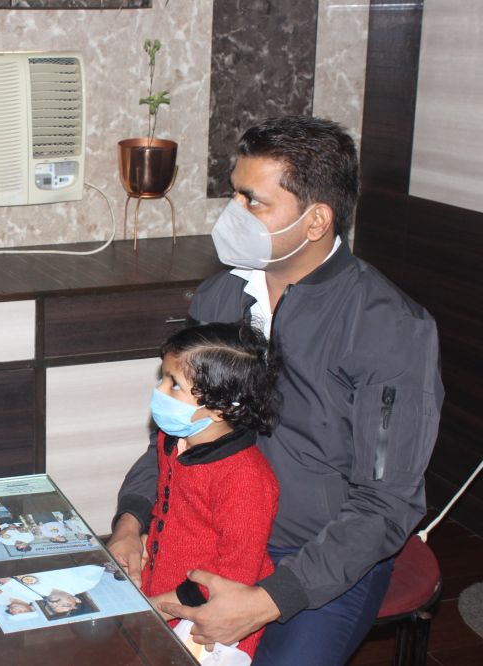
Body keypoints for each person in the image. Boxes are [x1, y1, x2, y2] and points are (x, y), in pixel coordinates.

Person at [107, 116, 444, 665]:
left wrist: (269, 600)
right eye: (234, 194)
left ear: (316, 221)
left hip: (314, 557)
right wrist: (132, 521)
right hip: (203, 525)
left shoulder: (389, 328)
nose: (232, 213)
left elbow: (385, 504)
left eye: (253, 201)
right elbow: (173, 435)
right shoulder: (220, 298)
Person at [141, 322, 281, 658]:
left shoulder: (245, 478)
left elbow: (236, 570)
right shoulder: (172, 439)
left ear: (222, 409)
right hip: (160, 591)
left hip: (208, 619)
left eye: (174, 384)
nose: (160, 391)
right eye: (163, 378)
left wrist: (166, 604)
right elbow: (167, 508)